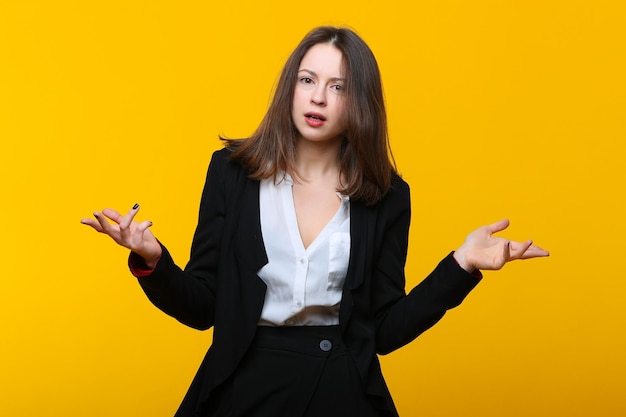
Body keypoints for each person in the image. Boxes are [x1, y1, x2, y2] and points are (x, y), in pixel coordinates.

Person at [81, 26, 549, 417]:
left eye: (338, 86)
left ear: (360, 101)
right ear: (290, 86)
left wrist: (461, 265)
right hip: (243, 381)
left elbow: (383, 331)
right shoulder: (230, 173)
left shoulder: (387, 197)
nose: (318, 97)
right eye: (307, 80)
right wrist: (151, 259)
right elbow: (204, 307)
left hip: (340, 385)